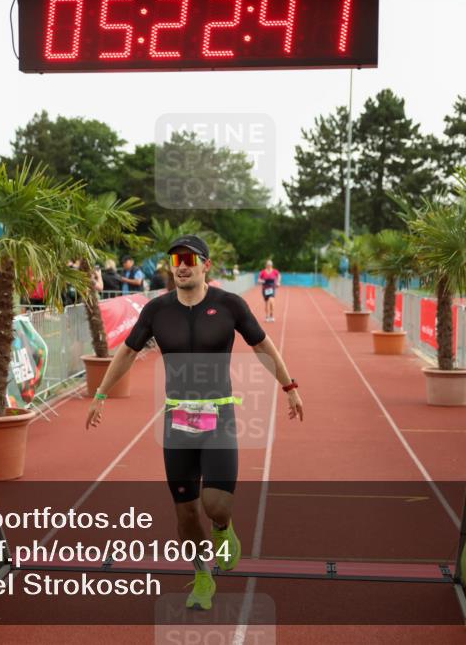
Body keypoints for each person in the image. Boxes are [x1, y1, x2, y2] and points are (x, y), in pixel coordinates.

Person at [85, 235, 304, 610]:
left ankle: (223, 528)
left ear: (206, 264)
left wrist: (290, 386)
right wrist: (102, 393)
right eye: (175, 259)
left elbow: (263, 346)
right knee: (185, 511)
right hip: (178, 419)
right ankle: (203, 574)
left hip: (219, 414)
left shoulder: (229, 305)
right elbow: (127, 352)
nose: (181, 265)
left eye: (189, 258)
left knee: (215, 503)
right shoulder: (157, 311)